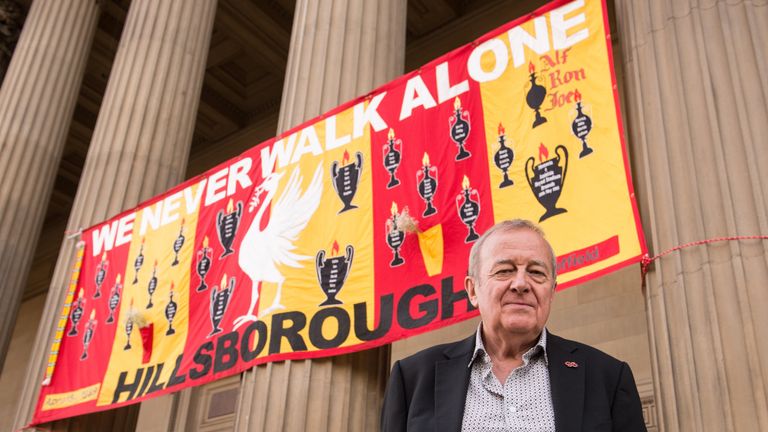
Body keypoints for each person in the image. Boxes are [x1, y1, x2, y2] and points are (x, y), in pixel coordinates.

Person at [381, 219, 646, 431]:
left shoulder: (607, 377)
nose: (521, 284)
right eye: (504, 270)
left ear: (551, 291)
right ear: (473, 290)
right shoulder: (413, 379)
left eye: (536, 272)